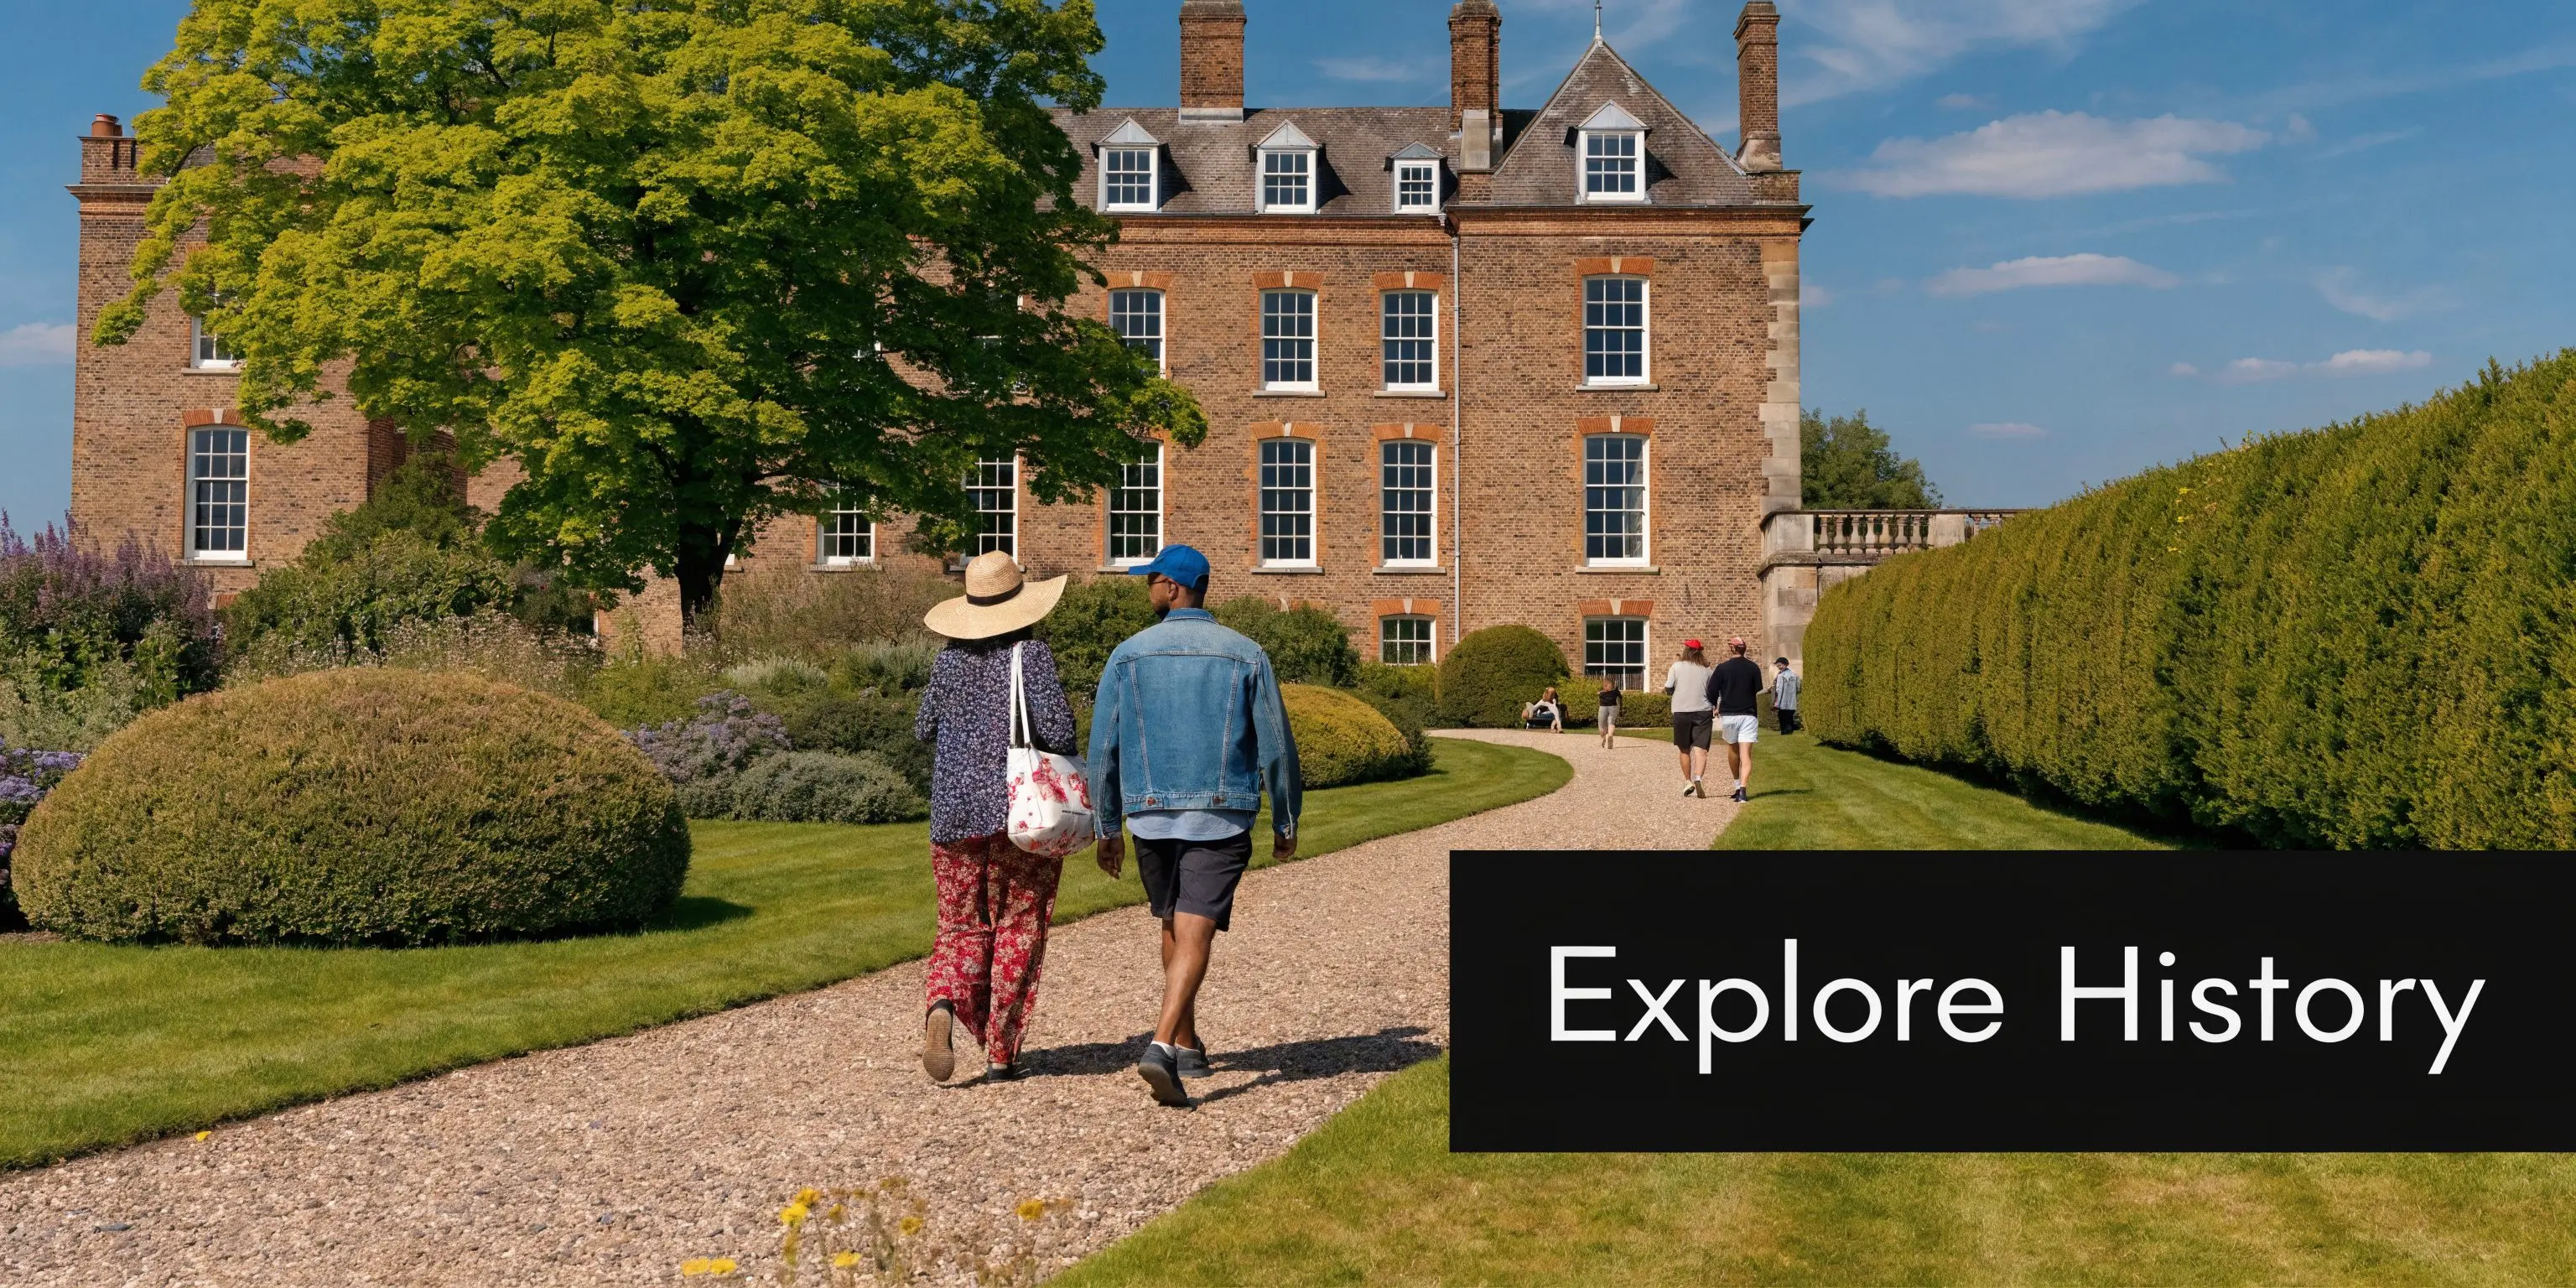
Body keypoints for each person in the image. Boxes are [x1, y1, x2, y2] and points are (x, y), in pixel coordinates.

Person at [1088, 544, 1301, 1108]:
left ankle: (1186, 1045)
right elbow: (1276, 746)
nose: (1147, 587)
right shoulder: (1246, 653)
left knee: (1173, 922)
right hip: (1221, 809)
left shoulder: (1128, 656)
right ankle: (1163, 1044)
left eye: (1152, 579)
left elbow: (1103, 747)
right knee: (1194, 926)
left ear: (1175, 589)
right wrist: (1285, 816)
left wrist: (1106, 825)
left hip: (1150, 813)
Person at [912, 552, 1078, 1084]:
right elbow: (1060, 731)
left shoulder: (947, 661)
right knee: (1018, 924)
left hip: (953, 812)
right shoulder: (1030, 656)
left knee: (960, 923)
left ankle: (943, 1002)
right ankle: (1000, 1053)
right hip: (1019, 811)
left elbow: (923, 729)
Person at [1708, 637, 1766, 802]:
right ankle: (1743, 790)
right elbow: (1757, 689)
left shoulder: (1722, 668)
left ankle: (1736, 784)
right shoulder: (1753, 667)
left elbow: (1712, 689)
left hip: (1729, 714)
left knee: (1733, 751)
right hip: (1748, 714)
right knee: (1746, 754)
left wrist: (1714, 705)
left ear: (1732, 649)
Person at [1664, 639, 1716, 797]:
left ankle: (1688, 781)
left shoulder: (1676, 666)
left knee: (1684, 749)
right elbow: (1713, 692)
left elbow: (1668, 687)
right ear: (1700, 652)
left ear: (1686, 650)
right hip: (1703, 711)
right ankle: (1698, 777)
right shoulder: (1707, 670)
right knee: (1701, 750)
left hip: (1681, 711)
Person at [1772, 657, 1801, 735]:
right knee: (1789, 716)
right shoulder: (1794, 675)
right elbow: (1798, 687)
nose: (1779, 667)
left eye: (1780, 665)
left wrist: (1777, 703)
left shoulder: (1781, 676)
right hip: (1792, 700)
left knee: (1782, 716)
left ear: (1785, 664)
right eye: (1778, 666)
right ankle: (1791, 729)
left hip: (1783, 701)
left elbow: (1779, 689)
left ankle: (1785, 731)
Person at [1596, 676, 1623, 749]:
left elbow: (1602, 693)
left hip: (1604, 707)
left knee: (1602, 725)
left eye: (1606, 685)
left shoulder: (1602, 693)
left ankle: (1606, 737)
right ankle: (1609, 735)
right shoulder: (1615, 692)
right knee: (1611, 722)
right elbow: (1620, 700)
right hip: (1612, 707)